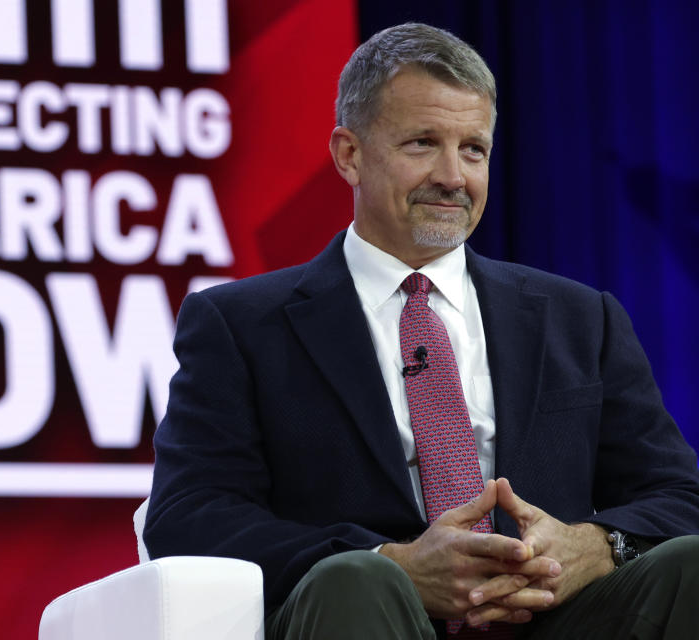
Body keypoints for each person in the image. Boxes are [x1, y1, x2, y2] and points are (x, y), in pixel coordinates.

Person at [144, 22, 699, 639]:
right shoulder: (240, 324)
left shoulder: (581, 318)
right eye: (421, 143)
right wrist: (395, 565)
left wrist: (595, 547)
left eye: (473, 150)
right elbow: (189, 516)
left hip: (550, 619)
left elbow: (679, 496)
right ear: (348, 154)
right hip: (365, 615)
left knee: (691, 565)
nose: (453, 177)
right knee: (356, 580)